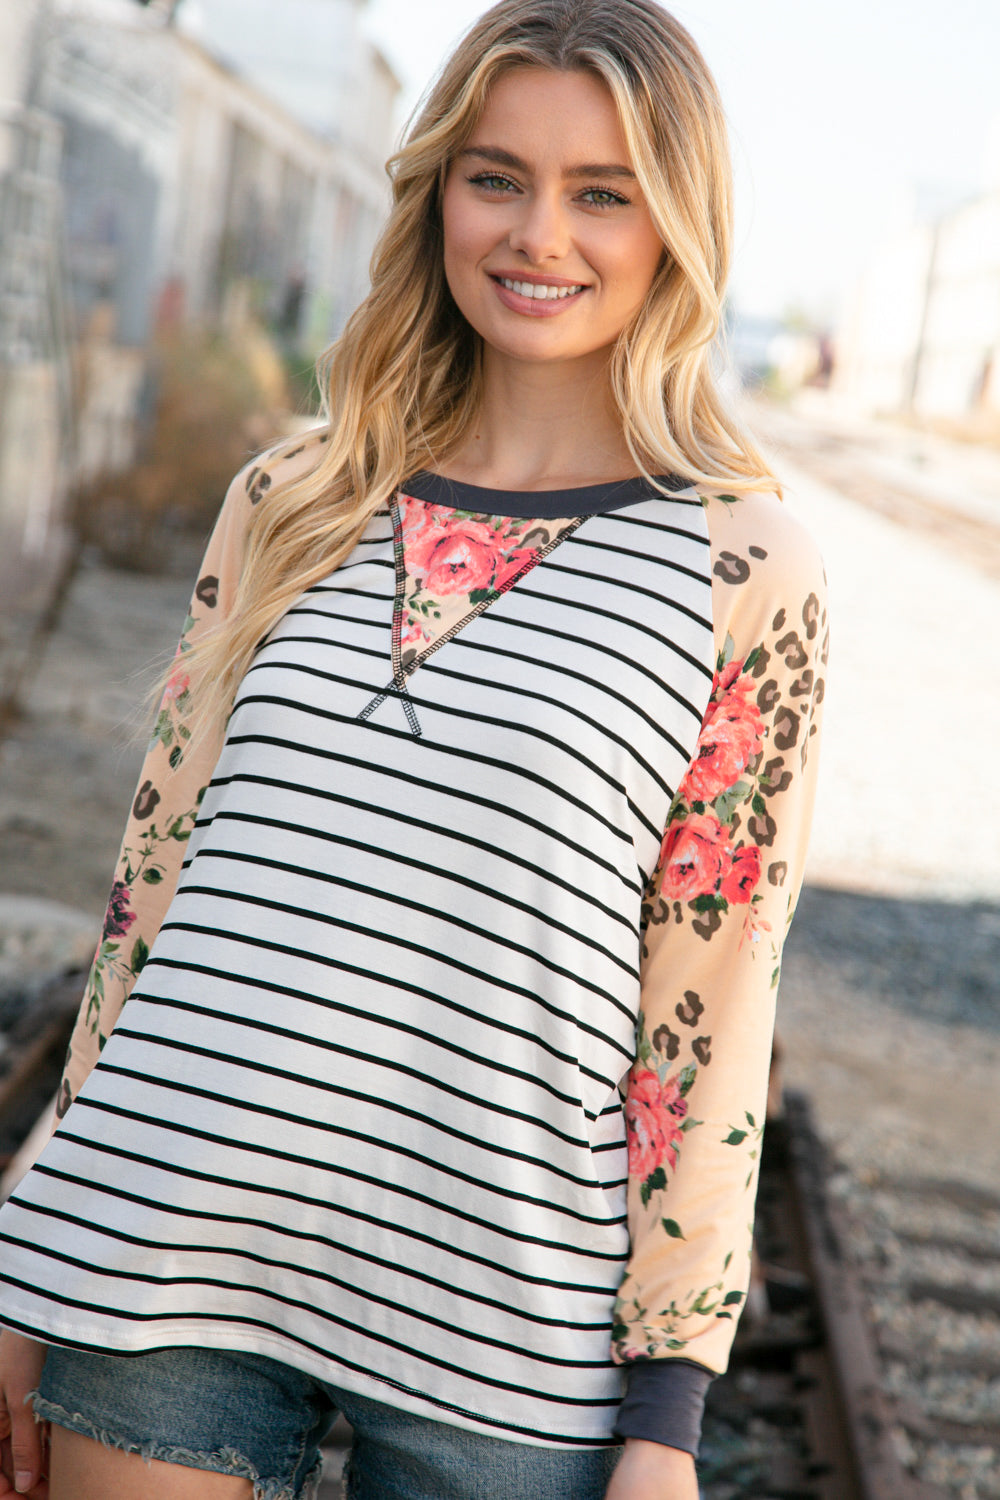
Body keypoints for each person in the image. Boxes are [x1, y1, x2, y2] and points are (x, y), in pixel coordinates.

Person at [0, 1, 828, 1496]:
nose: (540, 236)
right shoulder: (292, 497)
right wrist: (35, 1233)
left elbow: (715, 1006)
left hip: (506, 1330)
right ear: (438, 188)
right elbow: (153, 890)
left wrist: (667, 1419)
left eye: (604, 192)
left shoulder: (743, 569)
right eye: (497, 175)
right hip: (165, 1243)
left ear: (675, 226)